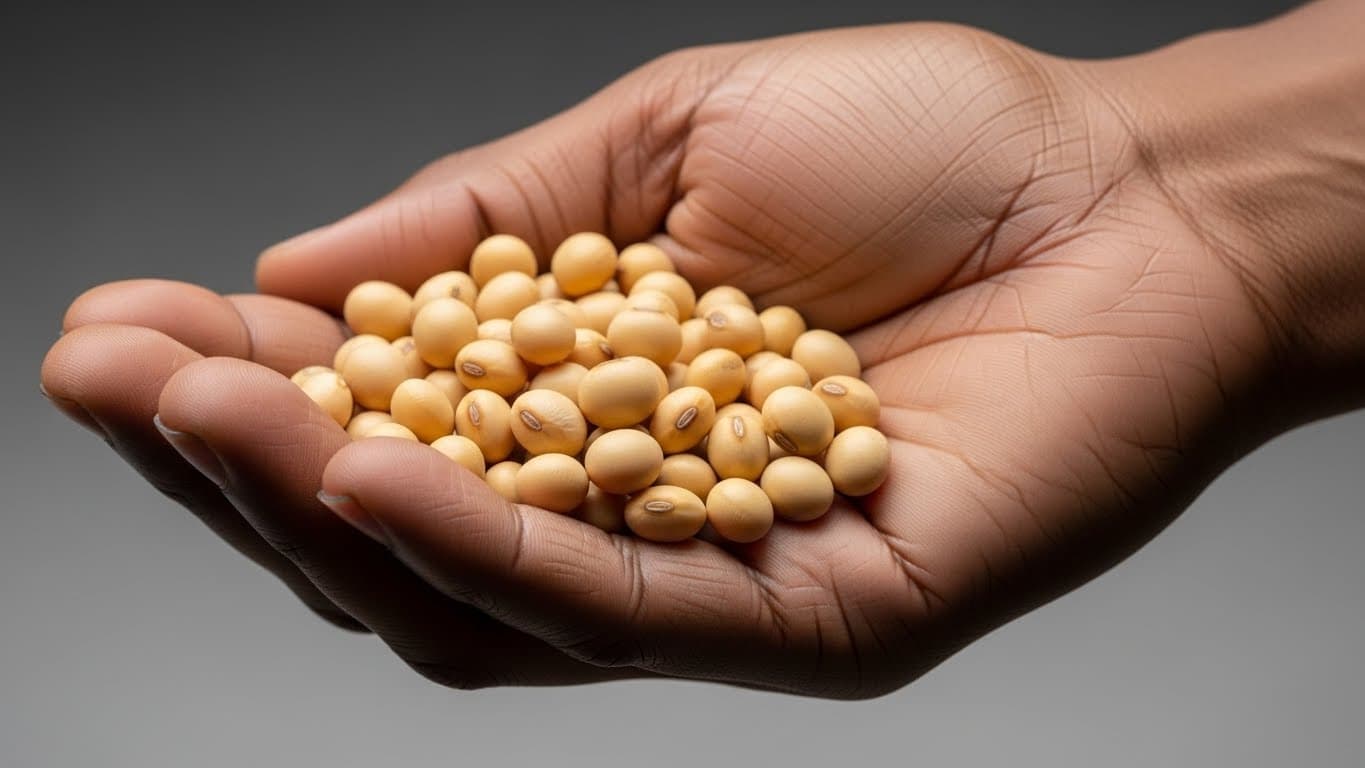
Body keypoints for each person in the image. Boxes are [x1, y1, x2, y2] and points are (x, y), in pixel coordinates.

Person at [39, 0, 1365, 698]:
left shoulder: (745, 386)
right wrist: (1184, 194)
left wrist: (1184, 200)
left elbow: (697, 435)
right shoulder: (650, 374)